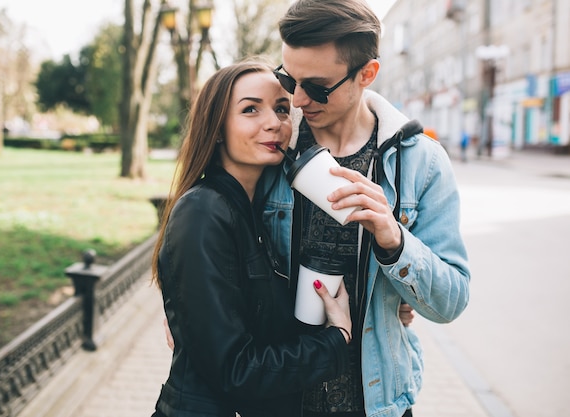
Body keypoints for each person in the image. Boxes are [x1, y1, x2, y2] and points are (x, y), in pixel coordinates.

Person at [259, 0, 472, 416]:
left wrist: (394, 241)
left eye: (317, 87)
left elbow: (452, 301)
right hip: (279, 395)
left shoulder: (420, 162)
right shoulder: (273, 149)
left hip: (376, 402)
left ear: (367, 74)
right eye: (288, 78)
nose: (298, 100)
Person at [150, 60, 354, 417]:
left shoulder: (249, 211)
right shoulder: (203, 211)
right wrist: (334, 342)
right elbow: (235, 369)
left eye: (280, 109)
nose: (274, 122)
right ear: (216, 128)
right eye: (250, 109)